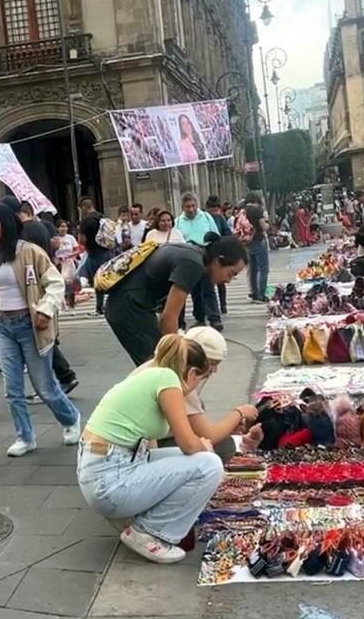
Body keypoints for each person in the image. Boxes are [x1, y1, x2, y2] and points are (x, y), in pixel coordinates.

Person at [77, 334, 224, 563]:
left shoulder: (152, 373)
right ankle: (149, 533)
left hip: (103, 469)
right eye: (201, 378)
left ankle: (136, 520)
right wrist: (202, 445)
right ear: (193, 373)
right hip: (109, 481)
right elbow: (188, 443)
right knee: (209, 464)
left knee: (191, 460)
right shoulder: (168, 380)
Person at [0, 202, 82, 457]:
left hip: (30, 325)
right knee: (11, 388)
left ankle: (70, 419)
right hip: (4, 325)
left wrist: (45, 309)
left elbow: (55, 282)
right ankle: (25, 436)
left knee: (44, 386)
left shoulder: (29, 252)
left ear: (7, 224)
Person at [105, 235, 248, 365]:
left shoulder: (192, 253)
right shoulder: (192, 264)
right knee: (158, 367)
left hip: (130, 305)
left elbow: (165, 315)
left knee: (157, 363)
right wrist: (176, 358)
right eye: (230, 274)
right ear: (218, 261)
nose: (228, 281)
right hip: (129, 308)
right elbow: (169, 317)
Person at [136, 327, 258, 460]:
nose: (214, 370)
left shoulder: (160, 367)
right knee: (221, 448)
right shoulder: (175, 380)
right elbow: (205, 437)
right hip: (134, 450)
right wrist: (239, 413)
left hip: (137, 446)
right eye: (212, 363)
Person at [175, 193, 222, 330]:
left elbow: (216, 235)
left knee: (208, 287)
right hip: (189, 255)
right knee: (195, 290)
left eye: (193, 206)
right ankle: (200, 318)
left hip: (206, 253)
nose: (191, 209)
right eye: (188, 207)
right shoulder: (178, 221)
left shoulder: (206, 217)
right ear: (183, 207)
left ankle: (214, 318)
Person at [78, 197, 114, 317]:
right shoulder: (101, 216)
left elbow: (81, 240)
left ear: (84, 207)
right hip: (107, 252)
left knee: (97, 281)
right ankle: (112, 304)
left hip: (94, 254)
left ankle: (99, 307)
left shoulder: (86, 221)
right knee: (109, 278)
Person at [205, 196, 232, 314]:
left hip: (218, 252)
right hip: (206, 252)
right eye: (212, 208)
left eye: (217, 207)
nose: (215, 210)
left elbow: (227, 233)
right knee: (207, 283)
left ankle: (223, 305)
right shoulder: (203, 218)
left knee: (221, 280)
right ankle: (211, 308)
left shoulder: (220, 219)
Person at [242, 192, 270, 302]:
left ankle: (253, 292)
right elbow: (263, 227)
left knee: (252, 268)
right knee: (263, 268)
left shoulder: (243, 211)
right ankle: (261, 294)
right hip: (258, 240)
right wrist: (267, 223)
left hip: (247, 242)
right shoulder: (257, 211)